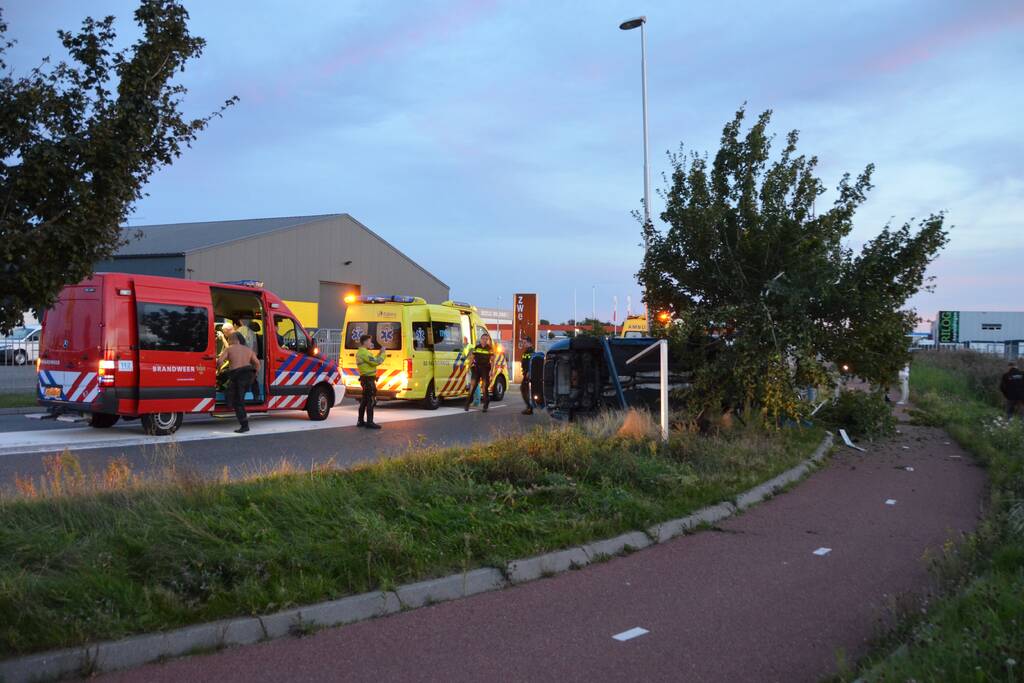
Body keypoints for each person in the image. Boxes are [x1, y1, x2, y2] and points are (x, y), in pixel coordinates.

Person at [217, 332, 260, 433]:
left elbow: (219, 361)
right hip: (248, 375)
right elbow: (257, 363)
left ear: (232, 339)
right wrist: (255, 375)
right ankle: (255, 396)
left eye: (229, 339)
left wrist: (218, 370)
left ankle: (245, 426)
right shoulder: (248, 350)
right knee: (237, 394)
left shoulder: (229, 349)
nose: (228, 341)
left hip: (238, 376)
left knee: (238, 402)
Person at [356, 334, 386, 429]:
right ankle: (369, 422)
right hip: (368, 380)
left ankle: (360, 421)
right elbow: (376, 362)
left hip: (365, 379)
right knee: (371, 401)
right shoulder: (364, 353)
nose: (371, 343)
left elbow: (373, 360)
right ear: (365, 342)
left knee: (364, 400)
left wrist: (379, 353)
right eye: (369, 341)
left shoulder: (363, 352)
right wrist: (383, 353)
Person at [465, 333, 494, 412]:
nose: (485, 340)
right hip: (476, 369)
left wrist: (491, 371)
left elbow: (492, 360)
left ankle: (485, 405)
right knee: (472, 386)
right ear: (481, 339)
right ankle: (467, 404)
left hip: (485, 369)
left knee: (484, 387)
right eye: (483, 339)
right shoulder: (476, 347)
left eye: (486, 339)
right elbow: (472, 358)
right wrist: (468, 367)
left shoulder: (489, 348)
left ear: (487, 340)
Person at [520, 336, 535, 415]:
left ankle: (530, 407)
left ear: (529, 343)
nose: (523, 344)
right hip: (526, 373)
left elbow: (531, 362)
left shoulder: (531, 351)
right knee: (525, 390)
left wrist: (529, 372)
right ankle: (529, 407)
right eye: (523, 342)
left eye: (524, 342)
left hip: (528, 373)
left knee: (524, 389)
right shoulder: (526, 351)